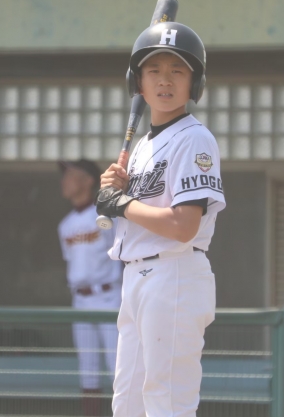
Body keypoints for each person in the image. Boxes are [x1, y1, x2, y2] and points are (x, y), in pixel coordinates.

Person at [96, 21, 226, 417]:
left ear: (195, 84)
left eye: (177, 71)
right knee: (128, 404)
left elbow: (183, 226)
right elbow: (137, 209)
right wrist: (117, 189)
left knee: (166, 402)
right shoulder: (143, 146)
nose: (165, 80)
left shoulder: (194, 138)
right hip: (137, 275)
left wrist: (121, 203)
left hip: (174, 274)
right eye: (154, 70)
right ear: (138, 82)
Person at [58, 159, 123, 416]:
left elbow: (123, 253)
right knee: (88, 371)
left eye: (71, 175)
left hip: (109, 296)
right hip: (81, 300)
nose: (65, 181)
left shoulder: (105, 214)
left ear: (88, 180)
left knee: (119, 368)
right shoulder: (64, 224)